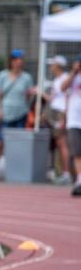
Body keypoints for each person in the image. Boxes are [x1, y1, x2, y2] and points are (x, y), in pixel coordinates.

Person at [0, 49, 35, 180]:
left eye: (20, 60)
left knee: (18, 144)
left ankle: (15, 172)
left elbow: (28, 96)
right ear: (11, 61)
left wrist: (32, 93)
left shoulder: (27, 77)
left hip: (21, 114)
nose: (18, 62)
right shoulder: (2, 75)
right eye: (15, 60)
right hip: (5, 113)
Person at [46, 56, 71, 184]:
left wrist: (64, 117)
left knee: (63, 144)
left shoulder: (65, 78)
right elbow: (53, 99)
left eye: (53, 64)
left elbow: (67, 98)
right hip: (55, 112)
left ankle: (66, 173)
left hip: (61, 113)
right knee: (59, 144)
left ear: (58, 65)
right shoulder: (56, 80)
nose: (51, 67)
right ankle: (61, 172)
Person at [60, 55, 81, 196]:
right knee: (77, 152)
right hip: (74, 120)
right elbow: (63, 88)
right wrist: (74, 72)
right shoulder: (72, 77)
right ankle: (80, 180)